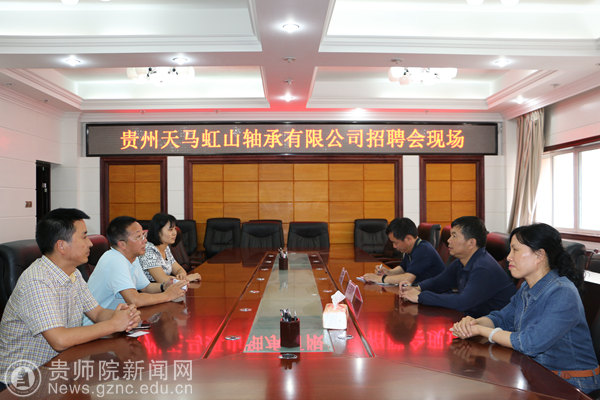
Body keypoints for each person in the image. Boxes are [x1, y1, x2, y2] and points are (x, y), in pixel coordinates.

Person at [0, 209, 140, 391]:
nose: (90, 243)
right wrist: (114, 324)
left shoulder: (73, 274)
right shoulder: (37, 281)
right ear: (61, 246)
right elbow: (59, 340)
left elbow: (97, 313)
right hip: (22, 382)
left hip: (59, 371)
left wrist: (122, 316)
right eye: (84, 237)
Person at [452, 223, 600, 394]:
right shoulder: (526, 288)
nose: (509, 257)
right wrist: (472, 323)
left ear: (539, 255)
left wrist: (480, 330)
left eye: (515, 250)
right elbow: (502, 318)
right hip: (538, 374)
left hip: (573, 384)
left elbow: (529, 343)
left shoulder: (562, 292)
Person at [400, 216, 515, 317]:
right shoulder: (461, 262)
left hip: (497, 327)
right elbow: (439, 282)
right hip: (473, 320)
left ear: (471, 243)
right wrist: (417, 288)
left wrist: (421, 297)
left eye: (454, 236)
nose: (448, 240)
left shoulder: (483, 268)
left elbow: (462, 302)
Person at [85, 216, 188, 325]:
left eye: (143, 235)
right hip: (98, 326)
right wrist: (168, 295)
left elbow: (146, 287)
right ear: (122, 244)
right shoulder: (114, 259)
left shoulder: (132, 257)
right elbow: (134, 300)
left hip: (121, 322)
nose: (145, 240)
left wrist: (164, 286)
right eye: (138, 237)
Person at [360, 218, 445, 285]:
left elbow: (408, 278)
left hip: (437, 294)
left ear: (408, 238)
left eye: (396, 242)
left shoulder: (423, 249)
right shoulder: (411, 248)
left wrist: (379, 279)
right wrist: (388, 272)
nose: (394, 246)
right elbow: (403, 268)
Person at [138, 213, 200, 284]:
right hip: (152, 290)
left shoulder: (165, 247)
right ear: (158, 231)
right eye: (170, 230)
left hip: (167, 289)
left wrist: (182, 275)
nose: (174, 233)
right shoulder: (148, 250)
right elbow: (163, 280)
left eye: (174, 229)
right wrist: (187, 279)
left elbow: (178, 269)